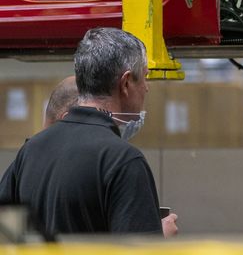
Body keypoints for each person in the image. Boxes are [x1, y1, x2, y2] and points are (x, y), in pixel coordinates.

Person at [0, 27, 178, 237]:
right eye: (145, 77)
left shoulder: (30, 151)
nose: (146, 88)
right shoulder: (122, 160)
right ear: (126, 83)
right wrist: (158, 237)